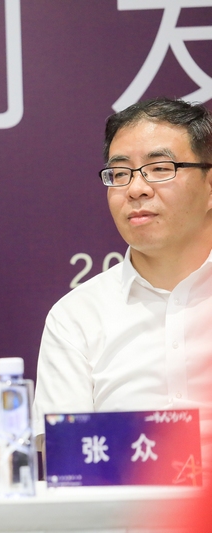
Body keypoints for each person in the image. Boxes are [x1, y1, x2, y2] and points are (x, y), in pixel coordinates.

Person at [32, 97, 212, 449]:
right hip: (123, 489)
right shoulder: (76, 318)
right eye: (120, 173)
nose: (136, 189)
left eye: (159, 168)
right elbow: (69, 461)